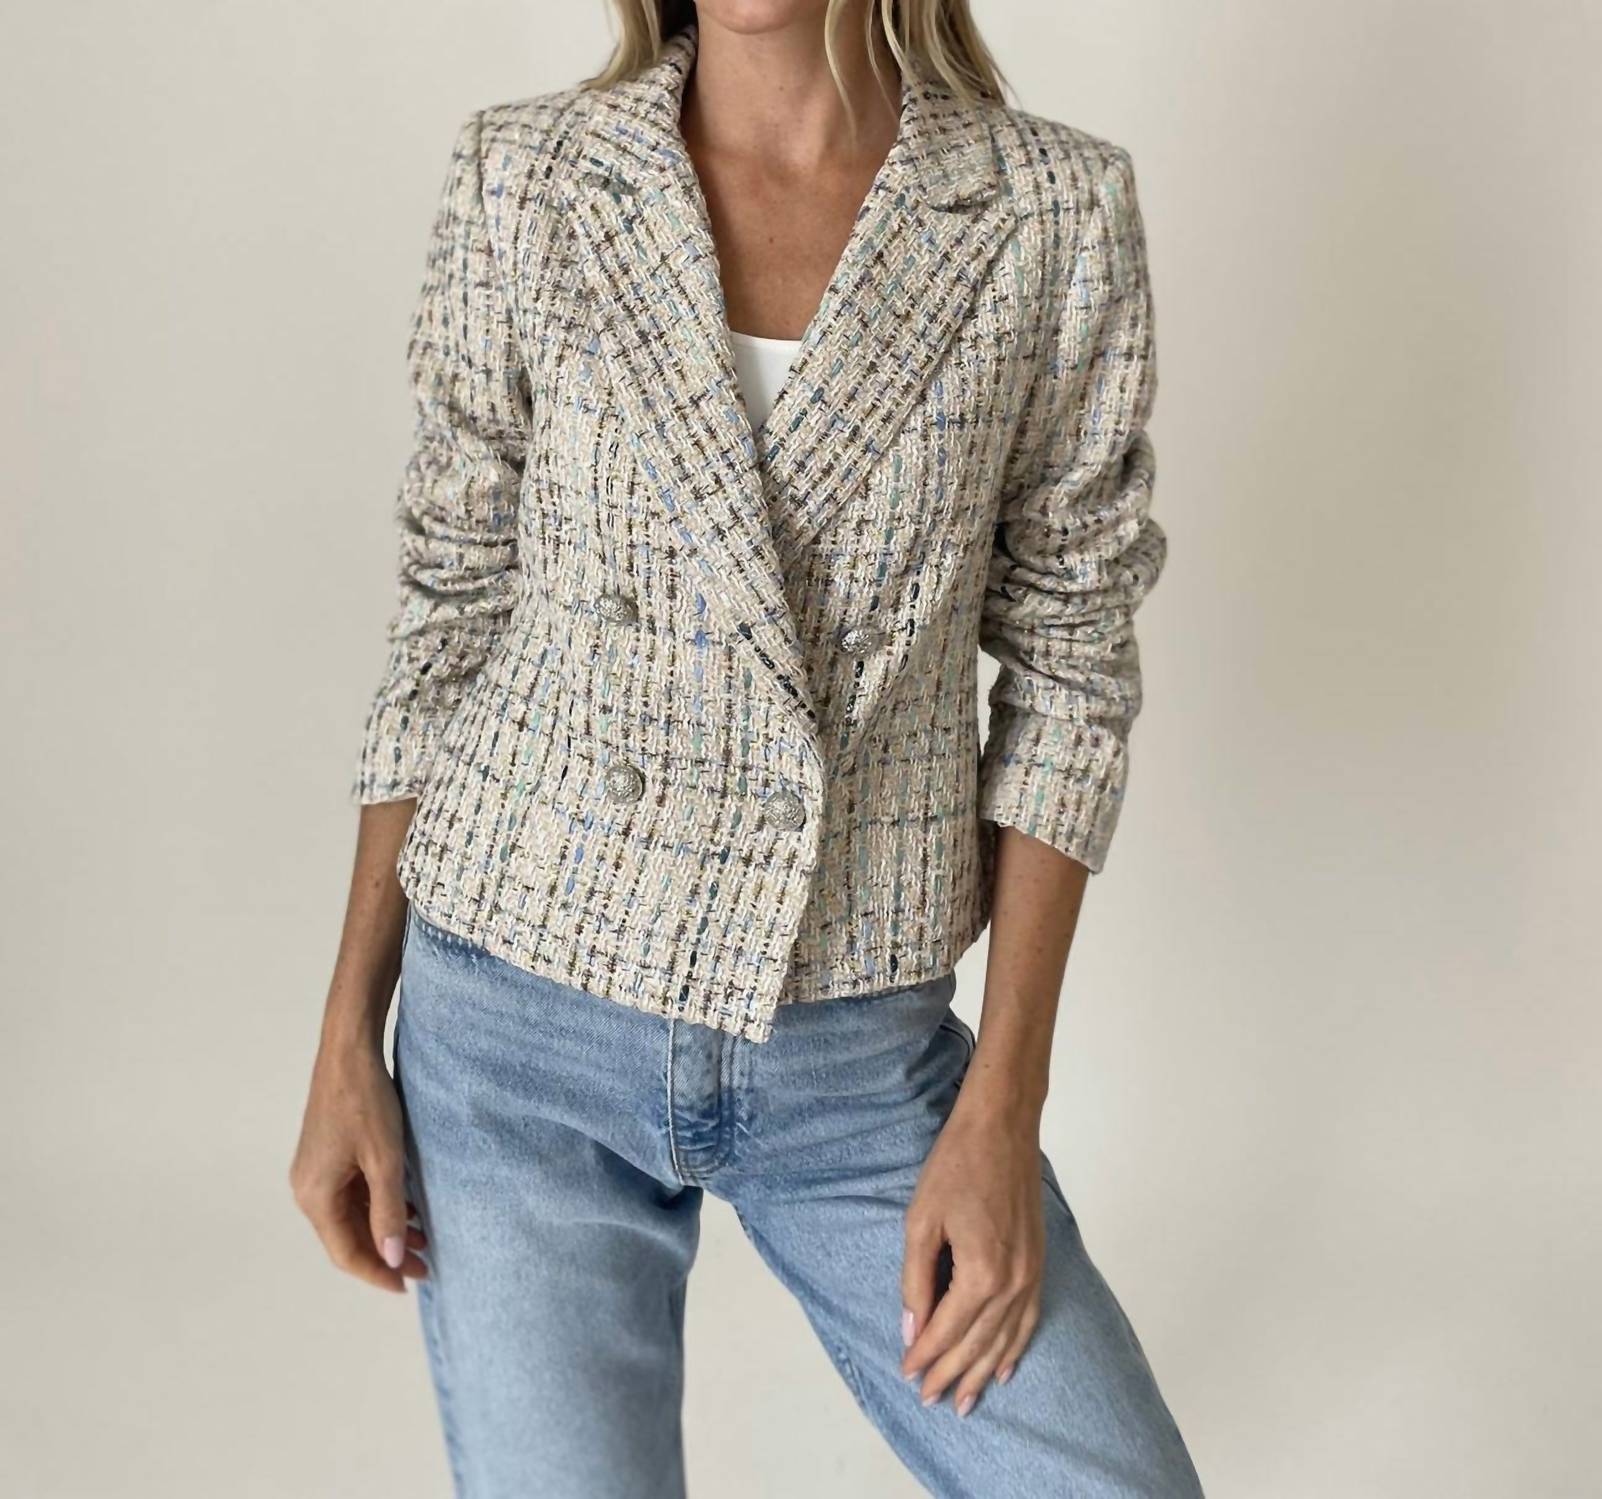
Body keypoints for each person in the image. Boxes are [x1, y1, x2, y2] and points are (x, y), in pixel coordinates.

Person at [291, 2, 1203, 1493]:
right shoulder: (530, 177)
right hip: (513, 1029)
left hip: (851, 1046)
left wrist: (1002, 1107)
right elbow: (450, 608)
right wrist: (348, 1031)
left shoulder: (1048, 212)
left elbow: (1070, 666)